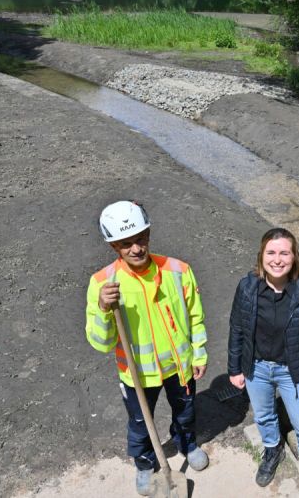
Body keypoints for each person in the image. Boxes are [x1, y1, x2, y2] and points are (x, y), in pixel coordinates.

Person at [85, 200, 209, 496]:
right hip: (137, 375)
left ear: (149, 234)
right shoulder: (103, 283)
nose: (136, 248)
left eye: (140, 239)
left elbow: (195, 316)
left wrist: (199, 352)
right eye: (126, 243)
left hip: (179, 366)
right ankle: (144, 464)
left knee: (185, 411)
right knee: (140, 424)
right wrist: (103, 308)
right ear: (114, 246)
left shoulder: (177, 270)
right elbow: (101, 343)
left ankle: (186, 443)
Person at [228, 228, 299, 491]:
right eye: (271, 253)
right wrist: (235, 368)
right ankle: (273, 450)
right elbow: (236, 328)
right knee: (264, 416)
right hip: (256, 368)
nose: (277, 259)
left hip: (293, 371)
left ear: (294, 258)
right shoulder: (247, 287)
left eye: (284, 253)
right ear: (261, 256)